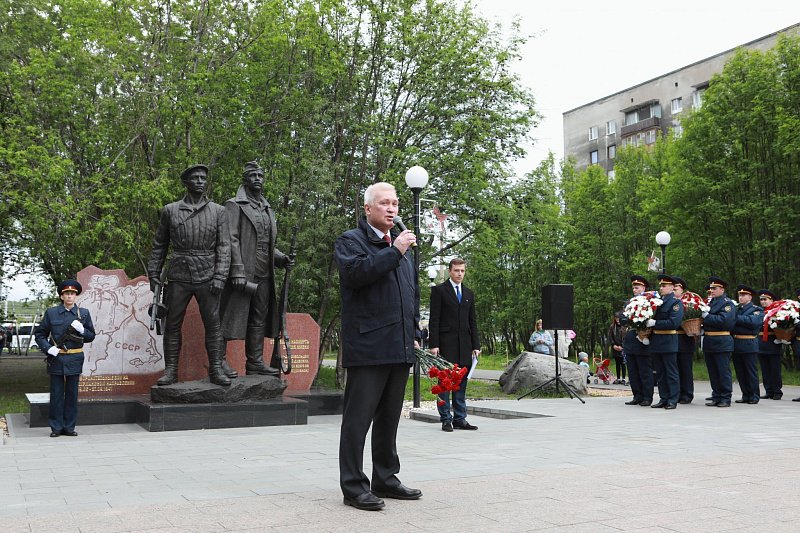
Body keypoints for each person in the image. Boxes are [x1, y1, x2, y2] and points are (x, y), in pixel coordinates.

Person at [334, 182, 422, 511]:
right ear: (368, 208)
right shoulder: (351, 241)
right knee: (358, 421)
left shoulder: (401, 247)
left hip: (399, 345)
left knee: (389, 419)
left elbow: (411, 294)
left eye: (395, 203)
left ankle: (385, 477)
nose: (392, 209)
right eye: (384, 203)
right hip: (369, 346)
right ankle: (353, 486)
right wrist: (395, 251)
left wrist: (415, 331)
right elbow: (357, 275)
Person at [147, 164, 231, 387]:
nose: (200, 181)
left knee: (213, 325)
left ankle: (216, 369)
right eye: (195, 178)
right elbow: (159, 245)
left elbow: (224, 246)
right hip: (179, 274)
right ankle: (171, 371)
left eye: (203, 178)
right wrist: (153, 273)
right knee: (172, 325)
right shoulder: (170, 210)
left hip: (208, 274)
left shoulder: (219, 211)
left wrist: (220, 276)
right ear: (186, 182)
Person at [219, 161, 293, 378]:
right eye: (253, 175)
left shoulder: (267, 209)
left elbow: (266, 243)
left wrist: (281, 258)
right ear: (245, 180)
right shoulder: (234, 205)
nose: (257, 179)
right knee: (229, 316)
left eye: (260, 175)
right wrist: (237, 270)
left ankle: (255, 362)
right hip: (242, 272)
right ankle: (218, 361)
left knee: (258, 318)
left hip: (264, 272)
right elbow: (230, 239)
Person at [34, 280, 96, 437]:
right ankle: (56, 428)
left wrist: (83, 330)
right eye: (67, 294)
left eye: (72, 294)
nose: (70, 296)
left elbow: (91, 336)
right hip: (56, 358)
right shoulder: (51, 313)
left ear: (76, 296)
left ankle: (69, 427)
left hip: (75, 357)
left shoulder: (84, 313)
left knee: (72, 394)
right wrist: (48, 348)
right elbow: (40, 334)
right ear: (62, 296)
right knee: (56, 394)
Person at [429, 257, 481, 432]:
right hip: (446, 344)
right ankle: (446, 419)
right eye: (457, 270)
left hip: (465, 345)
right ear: (450, 271)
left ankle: (460, 418)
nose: (460, 274)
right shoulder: (439, 291)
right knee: (445, 383)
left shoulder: (468, 293)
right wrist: (434, 344)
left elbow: (472, 321)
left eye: (462, 271)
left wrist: (476, 345)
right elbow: (434, 319)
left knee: (460, 383)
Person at [648, 275, 683, 410]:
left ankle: (672, 399)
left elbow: (674, 322)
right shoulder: (658, 302)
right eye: (660, 286)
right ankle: (663, 398)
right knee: (660, 373)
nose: (661, 288)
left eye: (664, 286)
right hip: (657, 341)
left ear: (672, 287)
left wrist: (655, 323)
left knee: (671, 372)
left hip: (668, 341)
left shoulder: (675, 303)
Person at [702, 277, 736, 407]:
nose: (712, 291)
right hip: (709, 340)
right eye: (711, 288)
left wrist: (707, 317)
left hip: (721, 341)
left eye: (714, 288)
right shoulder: (710, 303)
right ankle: (716, 396)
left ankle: (725, 397)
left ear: (722, 289)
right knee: (713, 372)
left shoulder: (727, 304)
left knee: (723, 371)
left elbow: (724, 321)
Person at [622, 275, 654, 406]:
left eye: (637, 287)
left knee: (644, 371)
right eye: (633, 288)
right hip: (631, 339)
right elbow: (623, 319)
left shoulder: (649, 302)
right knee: (633, 371)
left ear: (643, 288)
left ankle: (647, 396)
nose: (634, 290)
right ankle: (637, 395)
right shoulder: (629, 303)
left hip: (642, 339)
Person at [731, 284, 762, 404]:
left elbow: (753, 322)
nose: (741, 297)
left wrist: (736, 318)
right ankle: (746, 394)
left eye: (743, 295)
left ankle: (754, 395)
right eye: (740, 295)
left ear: (750, 297)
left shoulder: (756, 309)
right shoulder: (737, 309)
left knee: (750, 371)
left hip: (749, 343)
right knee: (740, 372)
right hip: (737, 343)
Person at [672, 277, 697, 403]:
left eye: (675, 289)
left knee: (685, 368)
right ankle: (676, 394)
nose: (673, 291)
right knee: (674, 369)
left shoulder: (688, 303)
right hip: (672, 339)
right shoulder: (669, 302)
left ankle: (687, 394)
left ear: (682, 290)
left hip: (684, 338)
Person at [757, 289, 783, 400]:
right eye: (761, 300)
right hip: (761, 343)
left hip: (773, 343)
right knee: (765, 369)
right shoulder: (759, 312)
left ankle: (777, 391)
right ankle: (768, 390)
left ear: (772, 300)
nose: (763, 301)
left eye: (765, 299)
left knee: (774, 369)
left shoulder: (778, 312)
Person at [607, 313, 626, 384]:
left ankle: (623, 378)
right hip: (615, 347)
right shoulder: (612, 327)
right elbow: (610, 336)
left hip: (622, 348)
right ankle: (618, 378)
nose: (617, 320)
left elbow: (625, 338)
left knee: (623, 363)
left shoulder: (624, 326)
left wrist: (622, 346)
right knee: (617, 363)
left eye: (618, 318)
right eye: (616, 318)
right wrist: (613, 345)